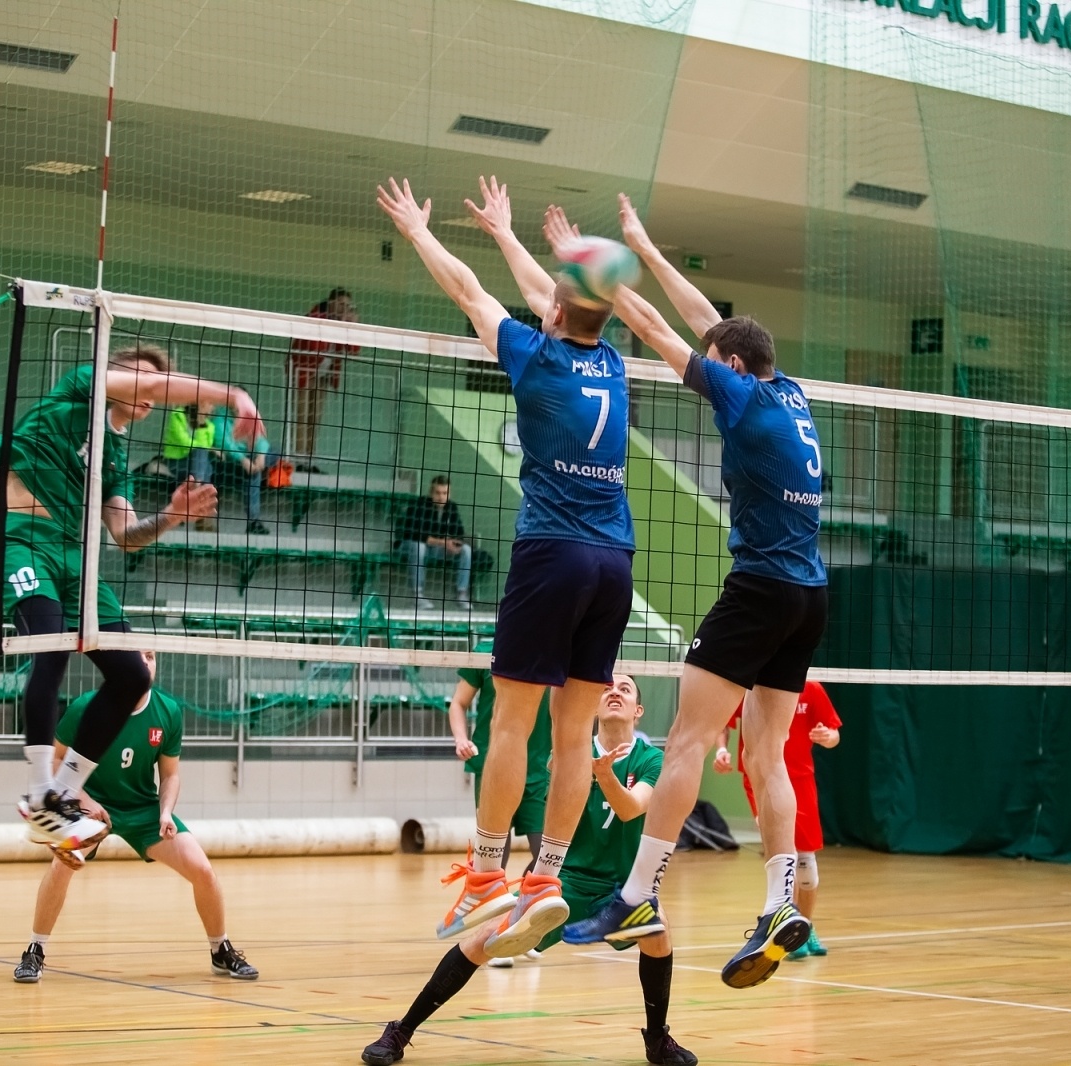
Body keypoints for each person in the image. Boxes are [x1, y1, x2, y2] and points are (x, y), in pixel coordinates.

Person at [555, 195, 827, 991]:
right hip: (810, 595)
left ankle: (636, 894)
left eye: (718, 364)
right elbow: (714, 324)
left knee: (684, 743)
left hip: (760, 588)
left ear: (732, 370)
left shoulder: (738, 394)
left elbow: (659, 330)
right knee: (766, 756)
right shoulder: (789, 390)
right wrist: (645, 245)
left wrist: (600, 274)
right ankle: (780, 904)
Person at [379, 176, 634, 956]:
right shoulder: (611, 363)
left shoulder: (535, 356)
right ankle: (546, 878)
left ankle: (489, 872)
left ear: (553, 313)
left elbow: (471, 292)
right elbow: (552, 297)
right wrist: (507, 235)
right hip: (615, 561)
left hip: (552, 553)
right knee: (573, 736)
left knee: (511, 725)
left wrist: (421, 232)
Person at [0, 342, 261, 851]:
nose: (147, 391)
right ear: (112, 375)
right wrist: (232, 394)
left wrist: (171, 517)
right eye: (137, 377)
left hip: (74, 559)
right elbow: (150, 383)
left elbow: (126, 534)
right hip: (19, 538)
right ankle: (39, 792)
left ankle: (63, 794)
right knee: (51, 646)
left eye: (152, 385)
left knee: (132, 675)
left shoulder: (115, 456)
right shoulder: (76, 391)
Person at [361, 675, 697, 1066]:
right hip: (563, 883)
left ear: (638, 710)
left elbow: (630, 808)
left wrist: (604, 774)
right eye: (608, 688)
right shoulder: (569, 754)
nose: (615, 693)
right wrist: (581, 767)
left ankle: (657, 1039)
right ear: (593, 706)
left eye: (625, 689)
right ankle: (401, 1030)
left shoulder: (651, 759)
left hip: (621, 889)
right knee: (483, 939)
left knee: (658, 930)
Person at [12, 650, 258, 983]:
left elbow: (170, 775)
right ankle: (35, 951)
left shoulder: (168, 711)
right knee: (61, 866)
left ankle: (220, 950)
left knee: (202, 869)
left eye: (151, 656)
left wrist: (165, 812)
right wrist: (84, 799)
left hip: (142, 808)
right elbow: (55, 761)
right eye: (137, 655)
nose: (145, 662)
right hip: (90, 807)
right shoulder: (86, 707)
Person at [715, 679, 840, 958]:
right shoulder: (749, 686)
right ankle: (785, 927)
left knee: (806, 864)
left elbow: (834, 735)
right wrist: (721, 750)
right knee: (784, 851)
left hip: (801, 780)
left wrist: (827, 736)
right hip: (759, 776)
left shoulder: (812, 688)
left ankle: (805, 926)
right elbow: (723, 723)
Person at [445, 638, 551, 926]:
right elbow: (458, 703)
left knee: (548, 856)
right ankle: (492, 927)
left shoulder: (553, 650)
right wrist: (460, 739)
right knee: (494, 859)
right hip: (494, 765)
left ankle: (517, 909)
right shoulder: (486, 652)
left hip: (540, 768)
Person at [286, 288, 358, 472]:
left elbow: (353, 351)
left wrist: (353, 328)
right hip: (304, 371)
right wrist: (339, 326)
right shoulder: (316, 316)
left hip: (324, 375)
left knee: (315, 418)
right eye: (341, 304)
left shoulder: (343, 323)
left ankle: (310, 460)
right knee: (302, 417)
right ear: (331, 303)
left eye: (347, 305)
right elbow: (314, 345)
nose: (344, 308)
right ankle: (298, 460)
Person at [394, 475, 473, 610]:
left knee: (466, 550)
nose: (441, 497)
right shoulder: (420, 504)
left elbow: (459, 532)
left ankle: (461, 593)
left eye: (445, 493)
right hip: (407, 546)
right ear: (431, 492)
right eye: (438, 493)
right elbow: (414, 534)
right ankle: (417, 595)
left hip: (433, 548)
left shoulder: (451, 507)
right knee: (419, 546)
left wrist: (454, 543)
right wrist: (443, 542)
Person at [212, 404, 272, 535]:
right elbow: (225, 444)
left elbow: (260, 439)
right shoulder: (220, 419)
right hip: (225, 463)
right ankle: (254, 521)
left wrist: (261, 456)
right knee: (253, 473)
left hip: (246, 461)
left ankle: (254, 522)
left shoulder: (249, 418)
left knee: (272, 452)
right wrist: (243, 460)